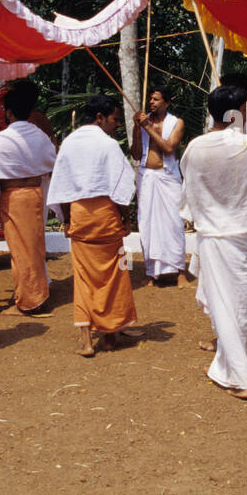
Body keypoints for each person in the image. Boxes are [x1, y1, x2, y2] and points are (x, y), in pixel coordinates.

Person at [180, 86, 247, 400]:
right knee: (241, 302)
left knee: (228, 303)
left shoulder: (196, 147)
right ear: (237, 110)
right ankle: (238, 366)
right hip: (241, 233)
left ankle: (240, 377)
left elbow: (190, 192)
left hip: (213, 233)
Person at [49, 94, 139, 357]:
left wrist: (66, 220)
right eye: (113, 119)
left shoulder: (68, 143)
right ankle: (110, 335)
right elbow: (120, 188)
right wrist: (126, 218)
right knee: (114, 274)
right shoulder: (108, 145)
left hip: (80, 217)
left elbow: (62, 187)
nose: (116, 125)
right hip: (105, 216)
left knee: (84, 277)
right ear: (100, 118)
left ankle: (87, 341)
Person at [0, 82, 57, 315]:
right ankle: (37, 294)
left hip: (15, 196)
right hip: (36, 193)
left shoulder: (2, 138)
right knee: (34, 247)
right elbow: (52, 163)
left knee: (21, 251)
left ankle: (30, 302)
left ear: (8, 112)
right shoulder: (40, 135)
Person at [132, 85, 188, 286]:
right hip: (147, 178)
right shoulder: (142, 121)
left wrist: (147, 127)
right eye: (150, 100)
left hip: (168, 177)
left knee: (174, 223)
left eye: (155, 99)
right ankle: (151, 272)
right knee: (147, 224)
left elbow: (169, 148)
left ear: (167, 102)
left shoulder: (176, 123)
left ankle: (180, 271)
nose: (151, 103)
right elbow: (136, 154)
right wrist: (138, 129)